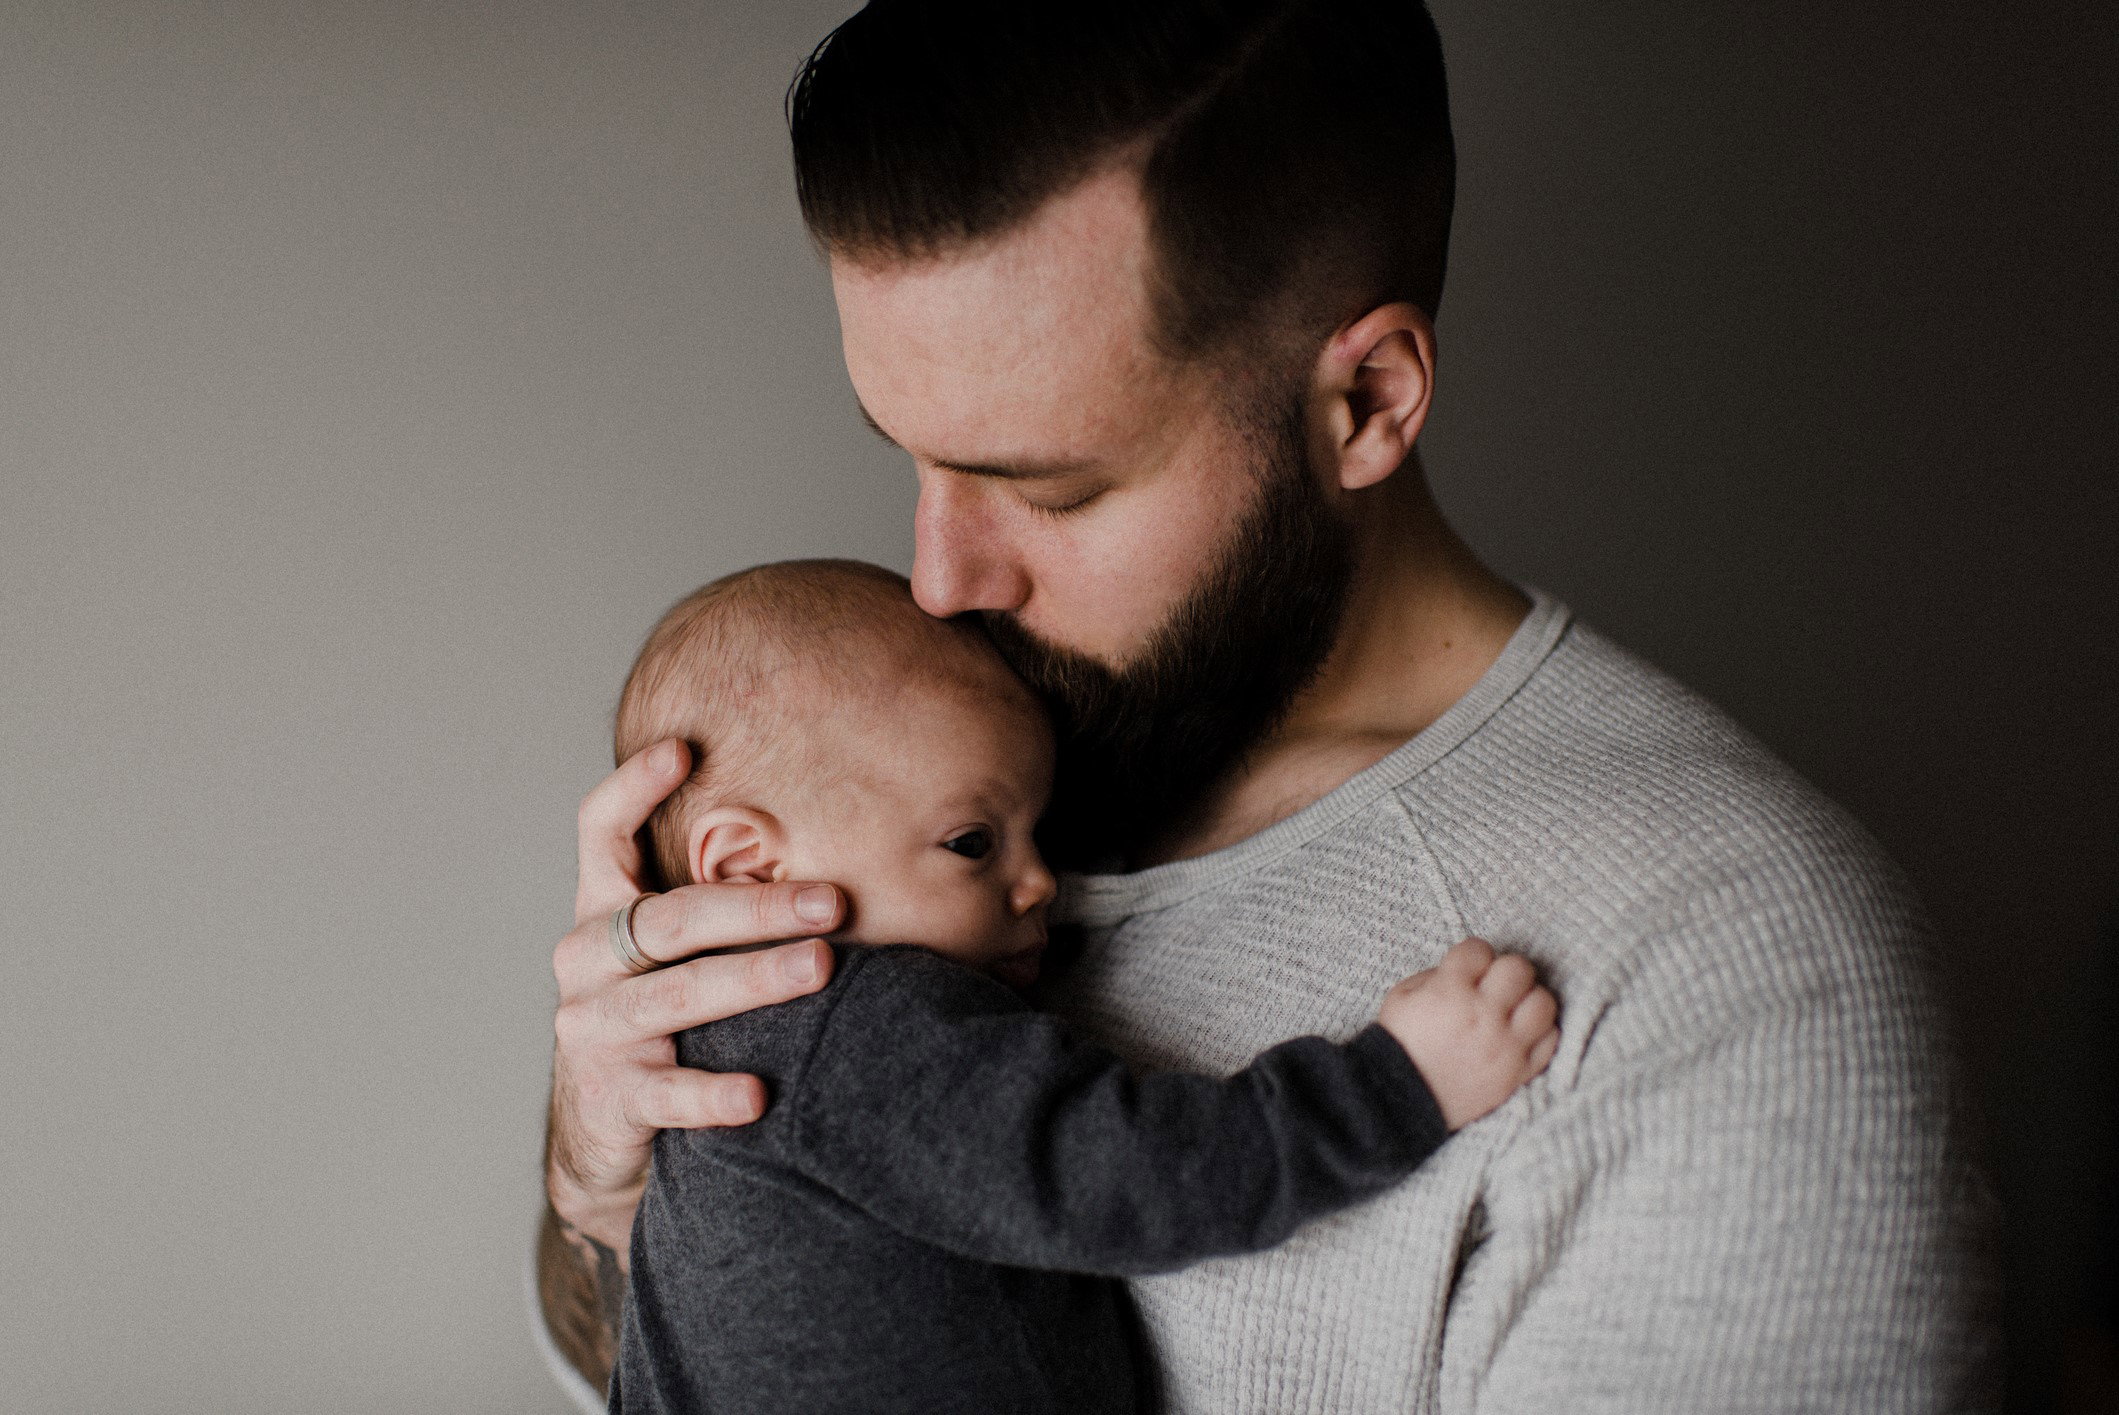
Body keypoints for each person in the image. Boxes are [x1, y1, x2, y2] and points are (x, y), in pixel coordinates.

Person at [536, 2, 1999, 1410]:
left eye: (1049, 485)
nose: (936, 580)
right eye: (911, 455)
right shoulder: (901, 793)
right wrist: (598, 1164)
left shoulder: (1721, 966)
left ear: (1363, 400)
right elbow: (630, 1354)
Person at [601, 558, 1557, 1412]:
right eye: (972, 842)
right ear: (745, 869)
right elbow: (1122, 1174)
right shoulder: (845, 1022)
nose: (1040, 884)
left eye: (1037, 834)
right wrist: (1399, 1084)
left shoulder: (724, 1056)